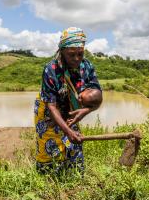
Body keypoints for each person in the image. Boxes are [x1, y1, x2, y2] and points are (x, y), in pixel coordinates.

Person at [34, 27, 102, 174]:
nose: (77, 58)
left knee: (73, 146)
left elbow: (98, 97)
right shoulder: (51, 69)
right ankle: (48, 179)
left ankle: (74, 176)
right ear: (62, 51)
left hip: (71, 110)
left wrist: (85, 111)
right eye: (72, 55)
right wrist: (68, 131)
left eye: (80, 54)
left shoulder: (87, 66)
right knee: (49, 144)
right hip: (49, 110)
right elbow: (52, 107)